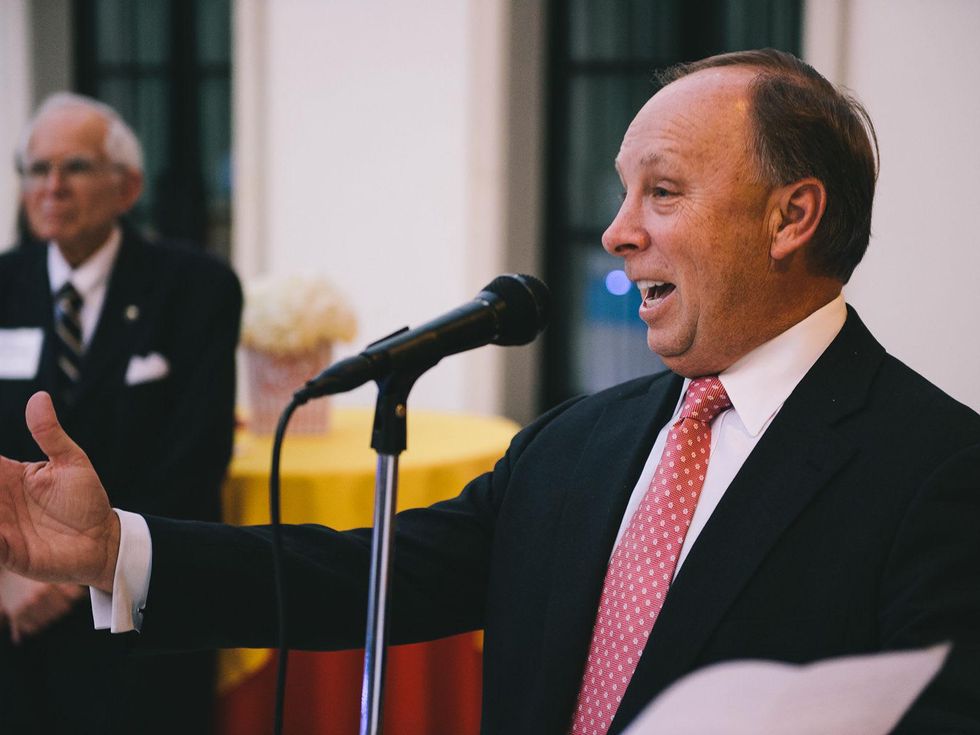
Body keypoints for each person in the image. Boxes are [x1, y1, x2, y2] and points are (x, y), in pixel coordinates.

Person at [1, 50, 978, 735]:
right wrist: (116, 548)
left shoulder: (938, 472)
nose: (616, 232)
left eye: (663, 192)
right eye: (620, 191)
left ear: (790, 216)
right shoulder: (573, 442)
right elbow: (372, 577)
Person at [0, 94, 242, 734]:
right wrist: (7, 573)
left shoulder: (198, 289)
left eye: (74, 167)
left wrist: (75, 569)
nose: (50, 187)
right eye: (34, 168)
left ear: (127, 186)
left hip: (139, 616)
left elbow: (194, 459)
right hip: (11, 618)